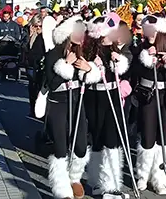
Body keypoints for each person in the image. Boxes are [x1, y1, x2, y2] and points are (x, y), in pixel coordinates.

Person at [45, 15, 99, 199]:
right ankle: (61, 188)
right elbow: (51, 84)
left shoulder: (83, 52)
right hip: (58, 103)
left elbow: (88, 80)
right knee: (60, 147)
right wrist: (65, 64)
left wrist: (89, 69)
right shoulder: (53, 53)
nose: (80, 35)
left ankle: (74, 178)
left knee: (81, 146)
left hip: (77, 102)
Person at [132, 14, 166, 195]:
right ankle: (142, 175)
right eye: (147, 30)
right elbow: (133, 72)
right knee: (147, 135)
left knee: (164, 136)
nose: (149, 34)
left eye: (153, 31)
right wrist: (146, 59)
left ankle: (161, 178)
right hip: (148, 95)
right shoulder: (140, 48)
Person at [83, 16, 131, 198]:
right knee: (97, 138)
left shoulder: (114, 49)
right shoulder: (90, 51)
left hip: (112, 95)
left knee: (112, 140)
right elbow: (84, 76)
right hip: (95, 96)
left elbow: (124, 69)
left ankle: (111, 184)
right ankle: (96, 181)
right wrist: (92, 67)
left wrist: (118, 61)